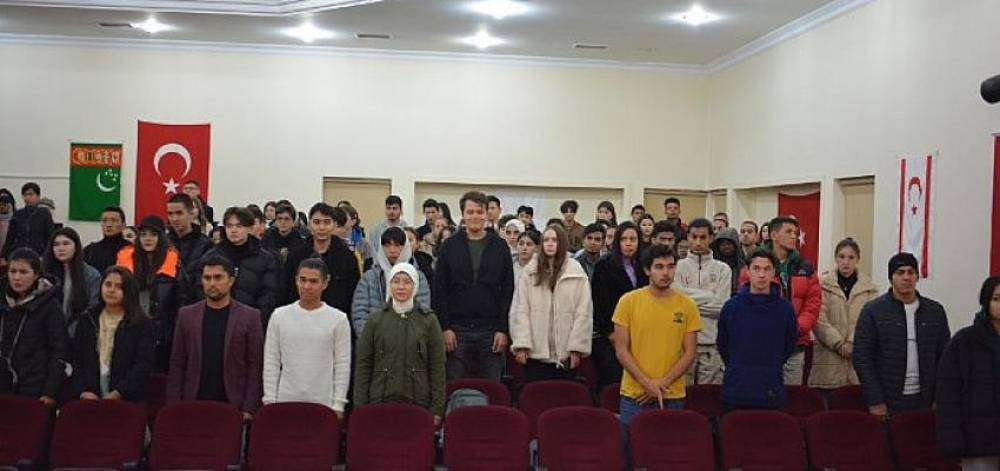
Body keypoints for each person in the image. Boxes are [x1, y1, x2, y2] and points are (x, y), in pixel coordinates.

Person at [853, 253, 951, 417]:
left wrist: (939, 396)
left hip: (925, 399)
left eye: (911, 272)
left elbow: (945, 357)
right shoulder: (873, 311)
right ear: (891, 278)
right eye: (900, 272)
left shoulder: (935, 312)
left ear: (917, 277)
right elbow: (862, 358)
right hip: (887, 400)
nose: (906, 277)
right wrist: (875, 400)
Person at [168, 256, 263, 420]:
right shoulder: (186, 315)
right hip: (193, 402)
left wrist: (249, 407)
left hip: (233, 405)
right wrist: (174, 405)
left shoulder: (250, 317)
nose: (212, 283)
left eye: (218, 277)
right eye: (207, 278)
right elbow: (177, 363)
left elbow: (255, 365)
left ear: (231, 281)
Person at [613, 244, 699, 424]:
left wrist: (661, 384)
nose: (666, 273)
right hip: (635, 396)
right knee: (630, 442)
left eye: (670, 266)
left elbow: (690, 352)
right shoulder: (628, 301)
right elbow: (621, 349)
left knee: (670, 442)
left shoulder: (687, 305)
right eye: (659, 267)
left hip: (672, 394)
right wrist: (647, 384)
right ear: (647, 270)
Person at [434, 191, 514, 381]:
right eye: (470, 212)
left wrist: (502, 329)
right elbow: (439, 289)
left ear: (486, 213)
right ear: (463, 215)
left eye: (479, 211)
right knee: (454, 386)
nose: (475, 216)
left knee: (492, 388)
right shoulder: (449, 246)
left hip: (491, 331)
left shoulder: (500, 246)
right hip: (456, 330)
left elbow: (508, 290)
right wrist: (445, 328)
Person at [354, 263, 445, 424]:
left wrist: (437, 409)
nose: (401, 287)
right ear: (389, 285)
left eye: (407, 282)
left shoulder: (429, 320)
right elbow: (363, 366)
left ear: (415, 286)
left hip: (418, 402)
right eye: (396, 281)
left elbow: (437, 367)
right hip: (380, 401)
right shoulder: (375, 320)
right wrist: (360, 407)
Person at [737, 216, 821, 385]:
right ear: (774, 235)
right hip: (763, 344)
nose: (794, 236)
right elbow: (747, 302)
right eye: (788, 232)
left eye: (796, 232)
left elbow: (813, 302)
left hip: (795, 344)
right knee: (763, 391)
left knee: (792, 395)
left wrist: (797, 327)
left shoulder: (805, 266)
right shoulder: (755, 265)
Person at [264, 258, 351, 417]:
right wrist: (270, 401)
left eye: (313, 281)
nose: (306, 286)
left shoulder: (338, 319)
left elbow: (342, 364)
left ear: (325, 283)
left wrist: (338, 403)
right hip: (285, 401)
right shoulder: (279, 316)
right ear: (296, 280)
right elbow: (271, 361)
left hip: (323, 404)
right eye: (302, 280)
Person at [718, 249, 798, 410]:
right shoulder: (731, 307)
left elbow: (789, 344)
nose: (761, 274)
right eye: (756, 268)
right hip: (737, 387)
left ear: (774, 272)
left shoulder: (785, 309)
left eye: (767, 269)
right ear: (747, 271)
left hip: (770, 386)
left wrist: (771, 365)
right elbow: (723, 344)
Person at [510, 225, 592, 382]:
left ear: (562, 242)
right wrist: (522, 344)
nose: (550, 243)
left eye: (554, 240)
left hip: (566, 355)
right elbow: (520, 310)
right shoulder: (530, 272)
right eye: (546, 240)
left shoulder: (576, 272)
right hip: (535, 354)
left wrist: (576, 348)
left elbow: (583, 313)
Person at [936, 277, 1000, 469]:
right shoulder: (964, 341)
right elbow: (948, 393)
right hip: (978, 438)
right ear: (986, 302)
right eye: (996, 299)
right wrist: (952, 437)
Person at [809, 238, 879, 395]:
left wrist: (852, 342)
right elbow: (818, 318)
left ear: (858, 259)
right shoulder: (821, 285)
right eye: (841, 257)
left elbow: (869, 321)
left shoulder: (870, 289)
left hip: (857, 362)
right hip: (828, 362)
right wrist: (839, 344)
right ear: (835, 258)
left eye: (851, 257)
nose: (846, 262)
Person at [73, 266, 154, 402]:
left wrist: (119, 393)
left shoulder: (141, 324)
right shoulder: (87, 319)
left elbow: (143, 365)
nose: (111, 290)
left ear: (128, 291)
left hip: (127, 399)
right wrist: (82, 391)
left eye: (118, 286)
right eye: (108, 284)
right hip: (89, 397)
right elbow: (77, 359)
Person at [0, 248, 70, 405]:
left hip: (35, 389)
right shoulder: (3, 301)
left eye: (23, 272)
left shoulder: (50, 306)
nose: (17, 277)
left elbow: (59, 350)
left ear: (36, 274)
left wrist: (50, 391)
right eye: (12, 271)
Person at [116, 215, 185, 372]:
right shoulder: (125, 260)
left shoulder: (173, 262)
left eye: (153, 234)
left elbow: (181, 300)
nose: (147, 239)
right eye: (143, 234)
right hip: (129, 328)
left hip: (161, 333)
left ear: (161, 237)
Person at [198, 207, 280, 327]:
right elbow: (200, 288)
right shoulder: (211, 256)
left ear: (249, 228)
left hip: (251, 322)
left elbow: (269, 294)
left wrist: (255, 319)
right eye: (229, 226)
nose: (234, 230)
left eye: (239, 226)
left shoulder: (265, 258)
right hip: (215, 319)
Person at [591, 221, 648, 390]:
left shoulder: (646, 265)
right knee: (614, 382)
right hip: (611, 335)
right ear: (617, 242)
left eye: (633, 239)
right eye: (624, 239)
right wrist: (611, 333)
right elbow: (599, 303)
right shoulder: (604, 265)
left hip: (641, 334)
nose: (629, 243)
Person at [284, 204, 360, 330]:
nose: (322, 227)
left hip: (335, 323)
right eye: (317, 222)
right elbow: (288, 291)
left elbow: (352, 295)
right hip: (301, 321)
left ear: (334, 224)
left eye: (327, 222)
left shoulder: (347, 257)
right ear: (309, 225)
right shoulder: (296, 255)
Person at [674, 218, 731, 386]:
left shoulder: (723, 269)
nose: (698, 242)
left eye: (703, 237)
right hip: (682, 344)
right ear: (688, 238)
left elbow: (721, 307)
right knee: (683, 394)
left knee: (708, 396)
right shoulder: (676, 267)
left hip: (712, 344)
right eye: (694, 237)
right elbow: (676, 302)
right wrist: (710, 295)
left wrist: (688, 301)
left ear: (711, 238)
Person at [351, 227, 431, 336]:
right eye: (387, 245)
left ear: (405, 247)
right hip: (375, 340)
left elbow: (423, 310)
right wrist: (370, 339)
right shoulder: (369, 277)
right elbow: (359, 312)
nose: (392, 250)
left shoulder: (418, 277)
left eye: (397, 245)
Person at [43, 227, 101, 338]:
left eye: (66, 243)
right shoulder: (44, 273)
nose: (61, 248)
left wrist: (71, 331)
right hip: (47, 334)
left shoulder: (92, 275)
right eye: (56, 244)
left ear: (76, 246)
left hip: (78, 334)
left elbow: (93, 307)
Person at [1, 182, 55, 262]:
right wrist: (3, 255)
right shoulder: (18, 214)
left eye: (31, 194)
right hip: (19, 254)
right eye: (25, 195)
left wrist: (46, 256)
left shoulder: (44, 214)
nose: (27, 197)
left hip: (39, 256)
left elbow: (50, 237)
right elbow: (10, 237)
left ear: (38, 196)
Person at [166, 193, 213, 273]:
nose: (174, 219)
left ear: (191, 214)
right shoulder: (163, 243)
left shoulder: (206, 245)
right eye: (170, 214)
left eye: (179, 213)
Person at [84, 206, 131, 273]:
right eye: (104, 220)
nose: (109, 225)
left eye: (114, 220)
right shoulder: (90, 250)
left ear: (123, 225)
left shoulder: (131, 249)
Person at [340, 204, 373, 275]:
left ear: (353, 221)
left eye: (344, 217)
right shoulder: (331, 240)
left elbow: (369, 268)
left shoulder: (363, 243)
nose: (340, 220)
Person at [711, 227, 744, 295]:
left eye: (729, 244)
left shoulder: (741, 265)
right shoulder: (712, 264)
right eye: (723, 244)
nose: (726, 246)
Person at [0, 191, 14, 259]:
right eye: (0, 204)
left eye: (4, 205)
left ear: (9, 206)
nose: (2, 207)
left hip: (8, 255)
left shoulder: (14, 220)